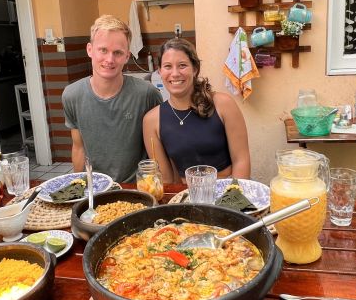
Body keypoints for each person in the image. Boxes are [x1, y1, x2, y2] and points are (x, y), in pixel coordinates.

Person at [62, 15, 162, 182]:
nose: (109, 59)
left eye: (117, 52)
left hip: (137, 188)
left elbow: (159, 146)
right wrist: (78, 189)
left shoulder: (147, 94)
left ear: (127, 56)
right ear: (89, 50)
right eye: (103, 50)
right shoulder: (72, 95)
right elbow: (79, 148)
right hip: (96, 188)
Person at [143, 38, 250, 183]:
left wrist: (234, 197)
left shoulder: (223, 104)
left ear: (195, 69)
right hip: (186, 196)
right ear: (160, 71)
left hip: (227, 191)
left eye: (182, 65)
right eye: (167, 66)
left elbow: (241, 161)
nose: (175, 73)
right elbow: (165, 180)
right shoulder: (151, 120)